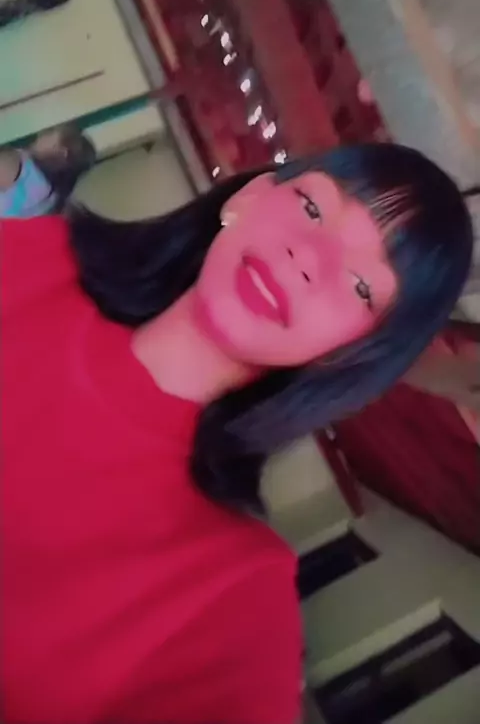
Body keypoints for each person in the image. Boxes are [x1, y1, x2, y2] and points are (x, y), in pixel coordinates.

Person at [1, 143, 473, 724]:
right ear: (248, 197)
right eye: (313, 207)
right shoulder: (35, 258)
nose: (309, 259)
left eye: (359, 286)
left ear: (348, 353)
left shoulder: (234, 592)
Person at [0, 124, 96, 218]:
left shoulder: (17, 165)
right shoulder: (52, 198)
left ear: (61, 152)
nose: (41, 133)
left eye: (50, 132)